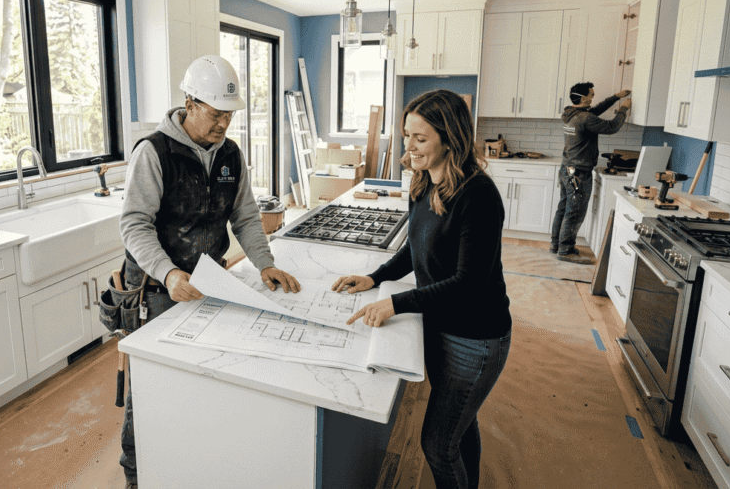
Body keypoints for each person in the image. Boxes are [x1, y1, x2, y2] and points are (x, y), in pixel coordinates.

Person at [116, 54, 300, 489]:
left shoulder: (230, 155)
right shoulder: (154, 152)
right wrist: (168, 273)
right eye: (215, 115)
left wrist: (264, 263)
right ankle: (136, 476)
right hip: (157, 289)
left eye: (228, 116)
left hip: (207, 279)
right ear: (189, 102)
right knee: (151, 385)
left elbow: (245, 215)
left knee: (202, 372)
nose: (223, 125)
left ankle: (188, 463)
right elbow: (133, 223)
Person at [332, 89, 511, 489]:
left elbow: (468, 285)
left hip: (476, 338)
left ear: (450, 139)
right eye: (406, 135)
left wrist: (398, 302)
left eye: (420, 138)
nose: (408, 147)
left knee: (437, 445)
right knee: (461, 426)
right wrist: (376, 277)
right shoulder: (423, 182)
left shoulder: (478, 196)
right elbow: (415, 245)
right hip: (442, 325)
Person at [550, 82, 631, 264]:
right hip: (579, 172)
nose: (593, 97)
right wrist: (623, 109)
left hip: (566, 169)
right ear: (584, 97)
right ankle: (565, 250)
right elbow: (611, 127)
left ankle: (556, 245)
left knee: (564, 209)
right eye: (592, 94)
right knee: (575, 212)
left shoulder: (570, 114)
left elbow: (595, 110)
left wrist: (616, 96)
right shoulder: (585, 118)